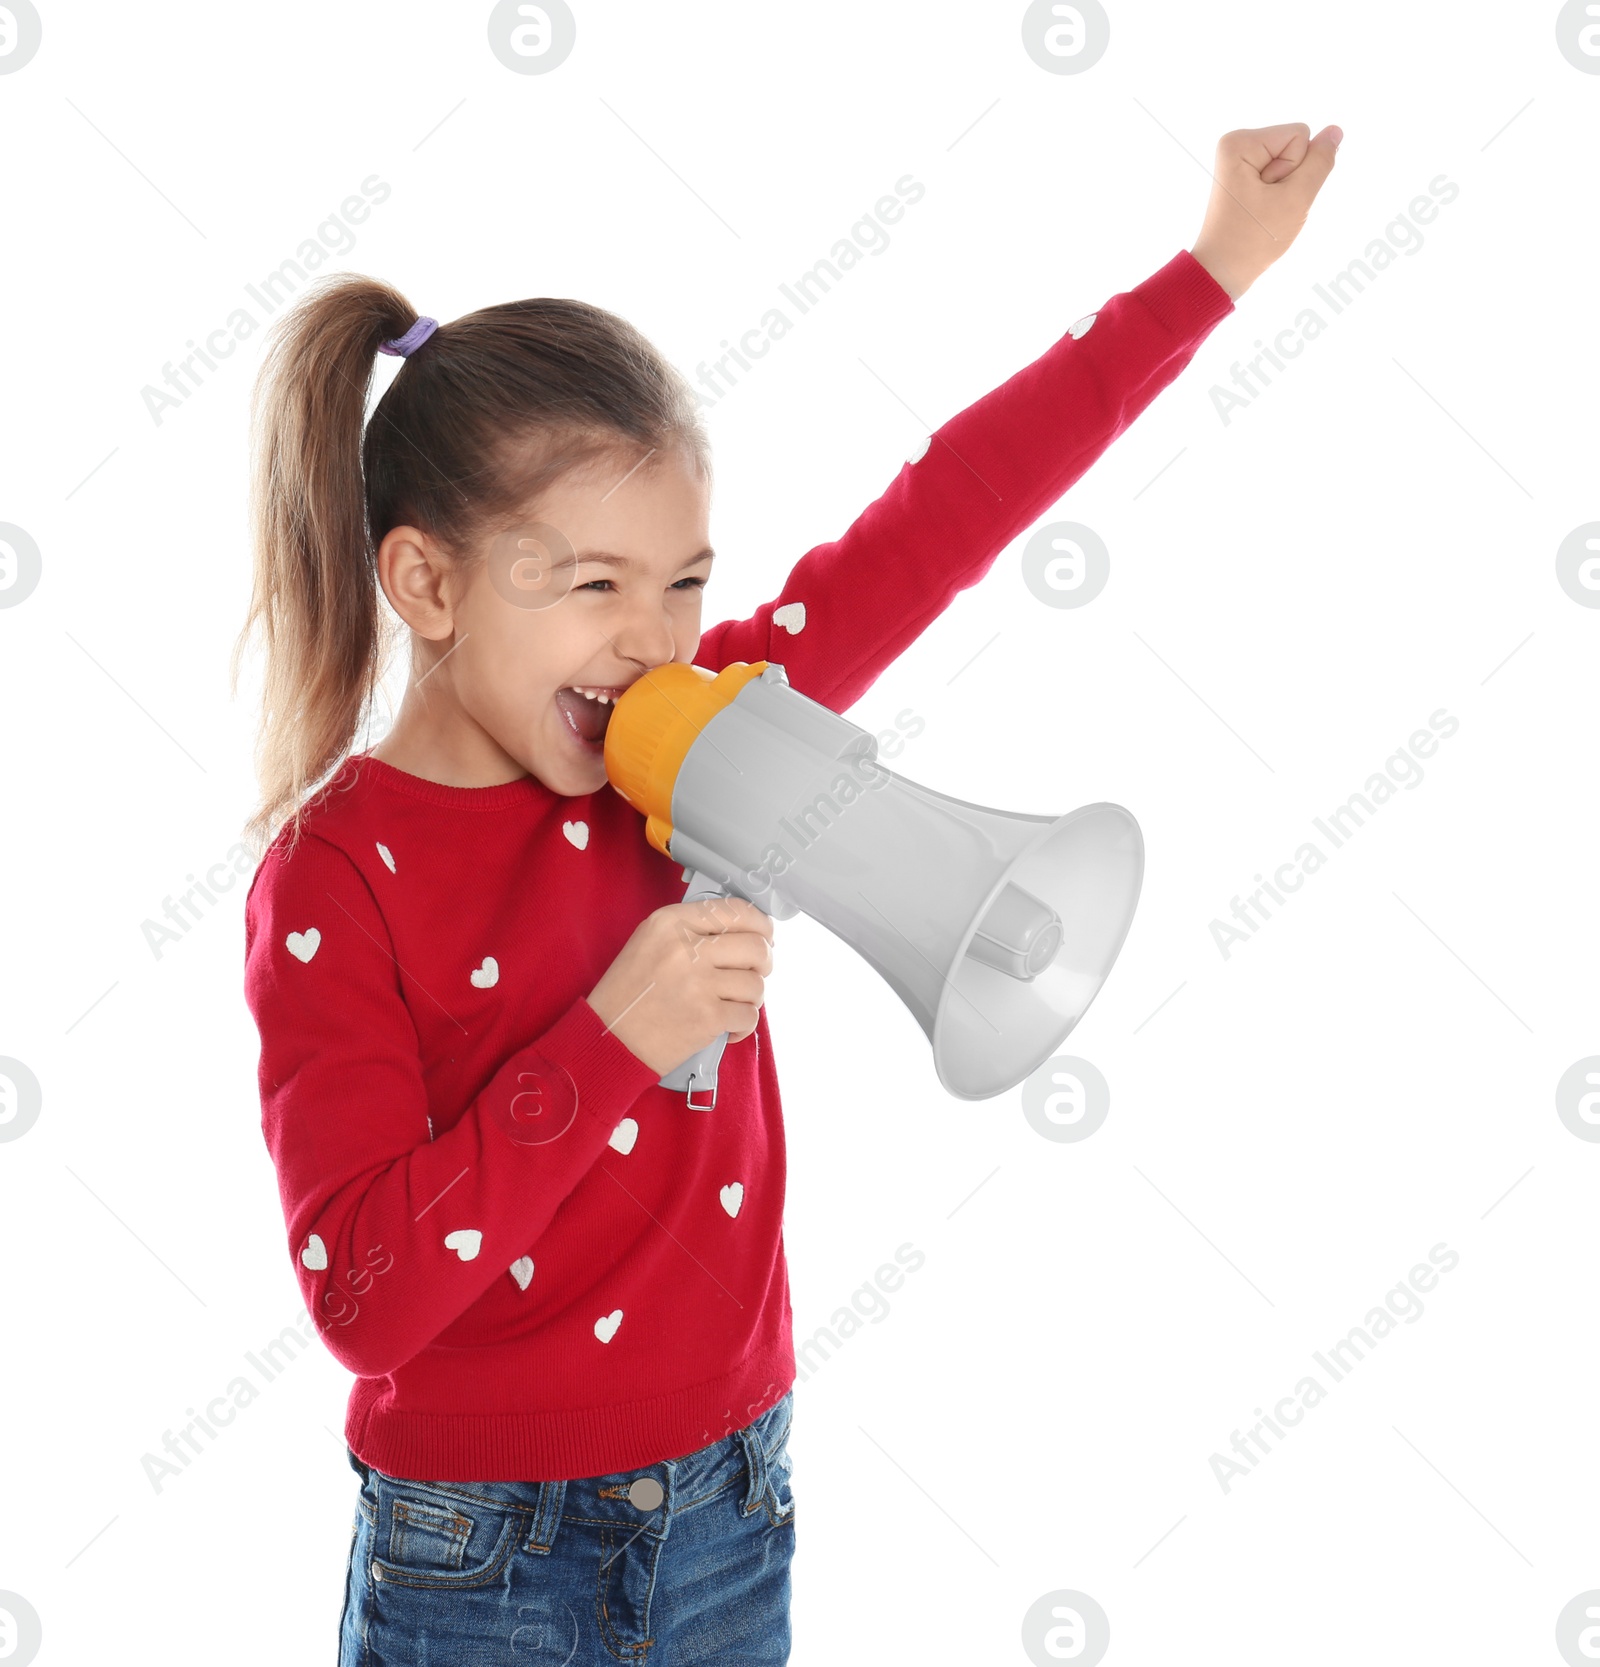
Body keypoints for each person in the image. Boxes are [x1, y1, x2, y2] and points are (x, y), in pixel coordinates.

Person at [235, 122, 1340, 1665]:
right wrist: (615, 1036)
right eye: (592, 585)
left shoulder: (710, 734)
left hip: (729, 1508)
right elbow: (365, 1300)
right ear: (428, 585)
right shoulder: (336, 875)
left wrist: (1214, 268)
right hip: (474, 1557)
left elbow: (948, 512)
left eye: (683, 581)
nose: (654, 642)